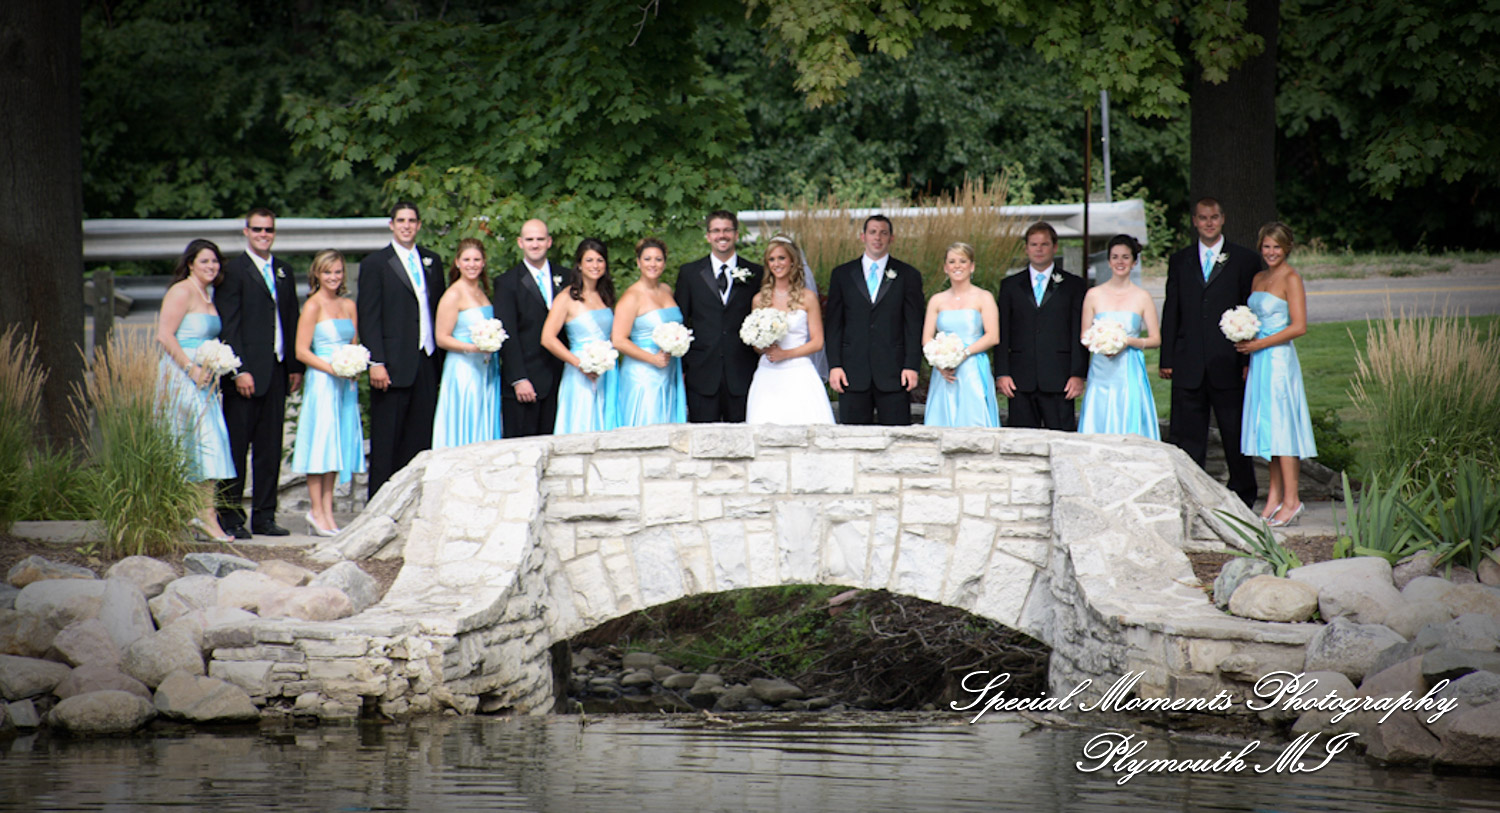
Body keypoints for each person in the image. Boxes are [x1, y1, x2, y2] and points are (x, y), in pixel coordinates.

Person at [1159, 197, 1259, 507]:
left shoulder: (1244, 260)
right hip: (1188, 361)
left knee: (1234, 432)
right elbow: (1171, 310)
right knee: (1187, 435)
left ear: (1223, 218)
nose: (1209, 223)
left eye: (1214, 217)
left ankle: (1243, 494)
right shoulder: (1180, 260)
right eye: (1203, 218)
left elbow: (1250, 312)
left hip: (1227, 361)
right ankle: (1190, 495)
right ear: (1195, 221)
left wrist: (1246, 359)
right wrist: (1167, 358)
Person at [215, 208, 302, 538]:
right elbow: (230, 325)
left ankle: (265, 515)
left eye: (269, 230)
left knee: (270, 448)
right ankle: (231, 516)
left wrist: (294, 366)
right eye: (258, 229)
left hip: (277, 370)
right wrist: (240, 370)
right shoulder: (233, 271)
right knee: (237, 447)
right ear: (246, 232)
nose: (264, 234)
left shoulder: (283, 270)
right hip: (246, 374)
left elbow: (290, 318)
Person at [357, 202, 444, 499]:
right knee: (387, 440)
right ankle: (378, 506)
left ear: (419, 225)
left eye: (412, 221)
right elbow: (369, 316)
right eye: (401, 220)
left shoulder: (432, 262)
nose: (407, 225)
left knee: (419, 439)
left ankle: (412, 502)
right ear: (392, 225)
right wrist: (376, 361)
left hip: (426, 360)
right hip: (392, 364)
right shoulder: (375, 264)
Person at [155, 239, 236, 542]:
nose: (211, 267)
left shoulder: (208, 294)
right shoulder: (181, 291)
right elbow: (165, 335)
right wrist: (190, 368)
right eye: (204, 261)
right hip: (181, 375)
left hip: (205, 380)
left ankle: (202, 514)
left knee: (208, 445)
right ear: (190, 263)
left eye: (215, 261)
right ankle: (200, 516)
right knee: (192, 442)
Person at [1238, 222, 1317, 527]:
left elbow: (1299, 326)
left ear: (1287, 248)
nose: (1271, 252)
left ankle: (1293, 500)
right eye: (1267, 246)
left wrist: (1259, 344)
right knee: (1269, 430)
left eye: (1277, 247)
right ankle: (1274, 497)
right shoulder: (1259, 277)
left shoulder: (1291, 278)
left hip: (1279, 360)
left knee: (1283, 428)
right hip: (1259, 361)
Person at [290, 250, 363, 536]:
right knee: (321, 443)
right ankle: (316, 511)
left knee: (337, 444)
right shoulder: (312, 306)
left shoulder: (349, 305)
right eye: (327, 272)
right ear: (317, 275)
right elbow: (301, 351)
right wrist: (332, 369)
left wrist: (354, 366)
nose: (334, 277)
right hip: (323, 381)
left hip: (345, 385)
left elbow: (354, 344)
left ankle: (328, 512)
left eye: (338, 272)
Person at [825, 215, 924, 425]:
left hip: (895, 373)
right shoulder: (842, 275)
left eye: (883, 233)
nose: (877, 237)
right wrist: (834, 365)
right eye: (872, 232)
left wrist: (911, 366)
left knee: (897, 439)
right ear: (863, 236)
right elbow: (834, 325)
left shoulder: (908, 275)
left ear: (892, 238)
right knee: (853, 440)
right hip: (852, 373)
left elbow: (914, 326)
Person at [994, 222, 1088, 430]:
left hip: (1059, 377)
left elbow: (1078, 332)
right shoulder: (1010, 286)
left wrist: (1077, 373)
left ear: (1054, 247)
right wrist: (1002, 373)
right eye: (1033, 244)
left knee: (1062, 440)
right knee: (1020, 443)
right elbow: (1002, 331)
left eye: (1044, 244)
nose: (1038, 249)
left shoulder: (1073, 285)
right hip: (1020, 378)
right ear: (1026, 248)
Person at [674, 210, 764, 422]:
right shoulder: (689, 274)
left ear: (736, 234)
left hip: (742, 373)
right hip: (702, 374)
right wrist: (686, 367)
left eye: (726, 230)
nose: (721, 235)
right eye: (716, 230)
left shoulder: (756, 272)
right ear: (707, 236)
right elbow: (681, 322)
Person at [1077, 235, 1161, 439]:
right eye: (1115, 257)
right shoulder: (1093, 295)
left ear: (1134, 262)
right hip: (1101, 370)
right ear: (1108, 261)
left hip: (1128, 368)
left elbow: (1155, 339)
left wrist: (1128, 342)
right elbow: (1084, 336)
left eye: (1125, 257)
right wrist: (1101, 342)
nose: (1120, 262)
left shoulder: (1142, 297)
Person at [745, 236, 835, 425]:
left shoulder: (807, 298)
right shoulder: (759, 300)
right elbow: (755, 346)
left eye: (781, 258)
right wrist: (764, 346)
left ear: (793, 261)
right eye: (772, 259)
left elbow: (817, 342)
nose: (776, 264)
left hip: (799, 373)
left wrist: (785, 354)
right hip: (767, 374)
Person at [495, 219, 568, 437]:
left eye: (540, 239)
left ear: (549, 242)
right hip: (525, 383)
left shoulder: (567, 277)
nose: (535, 244)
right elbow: (507, 334)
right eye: (529, 240)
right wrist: (518, 379)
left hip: (561, 378)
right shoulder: (506, 283)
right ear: (520, 242)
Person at [542, 239, 619, 434]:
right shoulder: (567, 297)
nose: (595, 265)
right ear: (579, 264)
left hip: (608, 372)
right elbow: (548, 338)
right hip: (579, 372)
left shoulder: (606, 295)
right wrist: (580, 364)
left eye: (600, 260)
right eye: (589, 260)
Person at [432, 238, 503, 448]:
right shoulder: (453, 294)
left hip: (487, 369)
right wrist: (473, 348)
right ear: (457, 263)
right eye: (467, 259)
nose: (472, 264)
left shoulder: (481, 292)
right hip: (464, 370)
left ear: (483, 263)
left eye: (477, 259)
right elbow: (441, 337)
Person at [921, 242, 1000, 428]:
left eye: (962, 261)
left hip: (972, 367)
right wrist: (940, 362)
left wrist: (962, 354)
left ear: (971, 266)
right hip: (944, 372)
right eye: (952, 261)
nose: (957, 266)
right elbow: (926, 338)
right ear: (945, 268)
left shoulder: (984, 297)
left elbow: (993, 336)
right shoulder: (937, 300)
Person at [612, 237, 687, 427]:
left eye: (658, 259)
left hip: (669, 369)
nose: (653, 264)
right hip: (643, 374)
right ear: (638, 262)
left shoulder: (666, 290)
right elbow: (618, 340)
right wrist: (652, 359)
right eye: (647, 259)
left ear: (664, 262)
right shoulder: (631, 297)